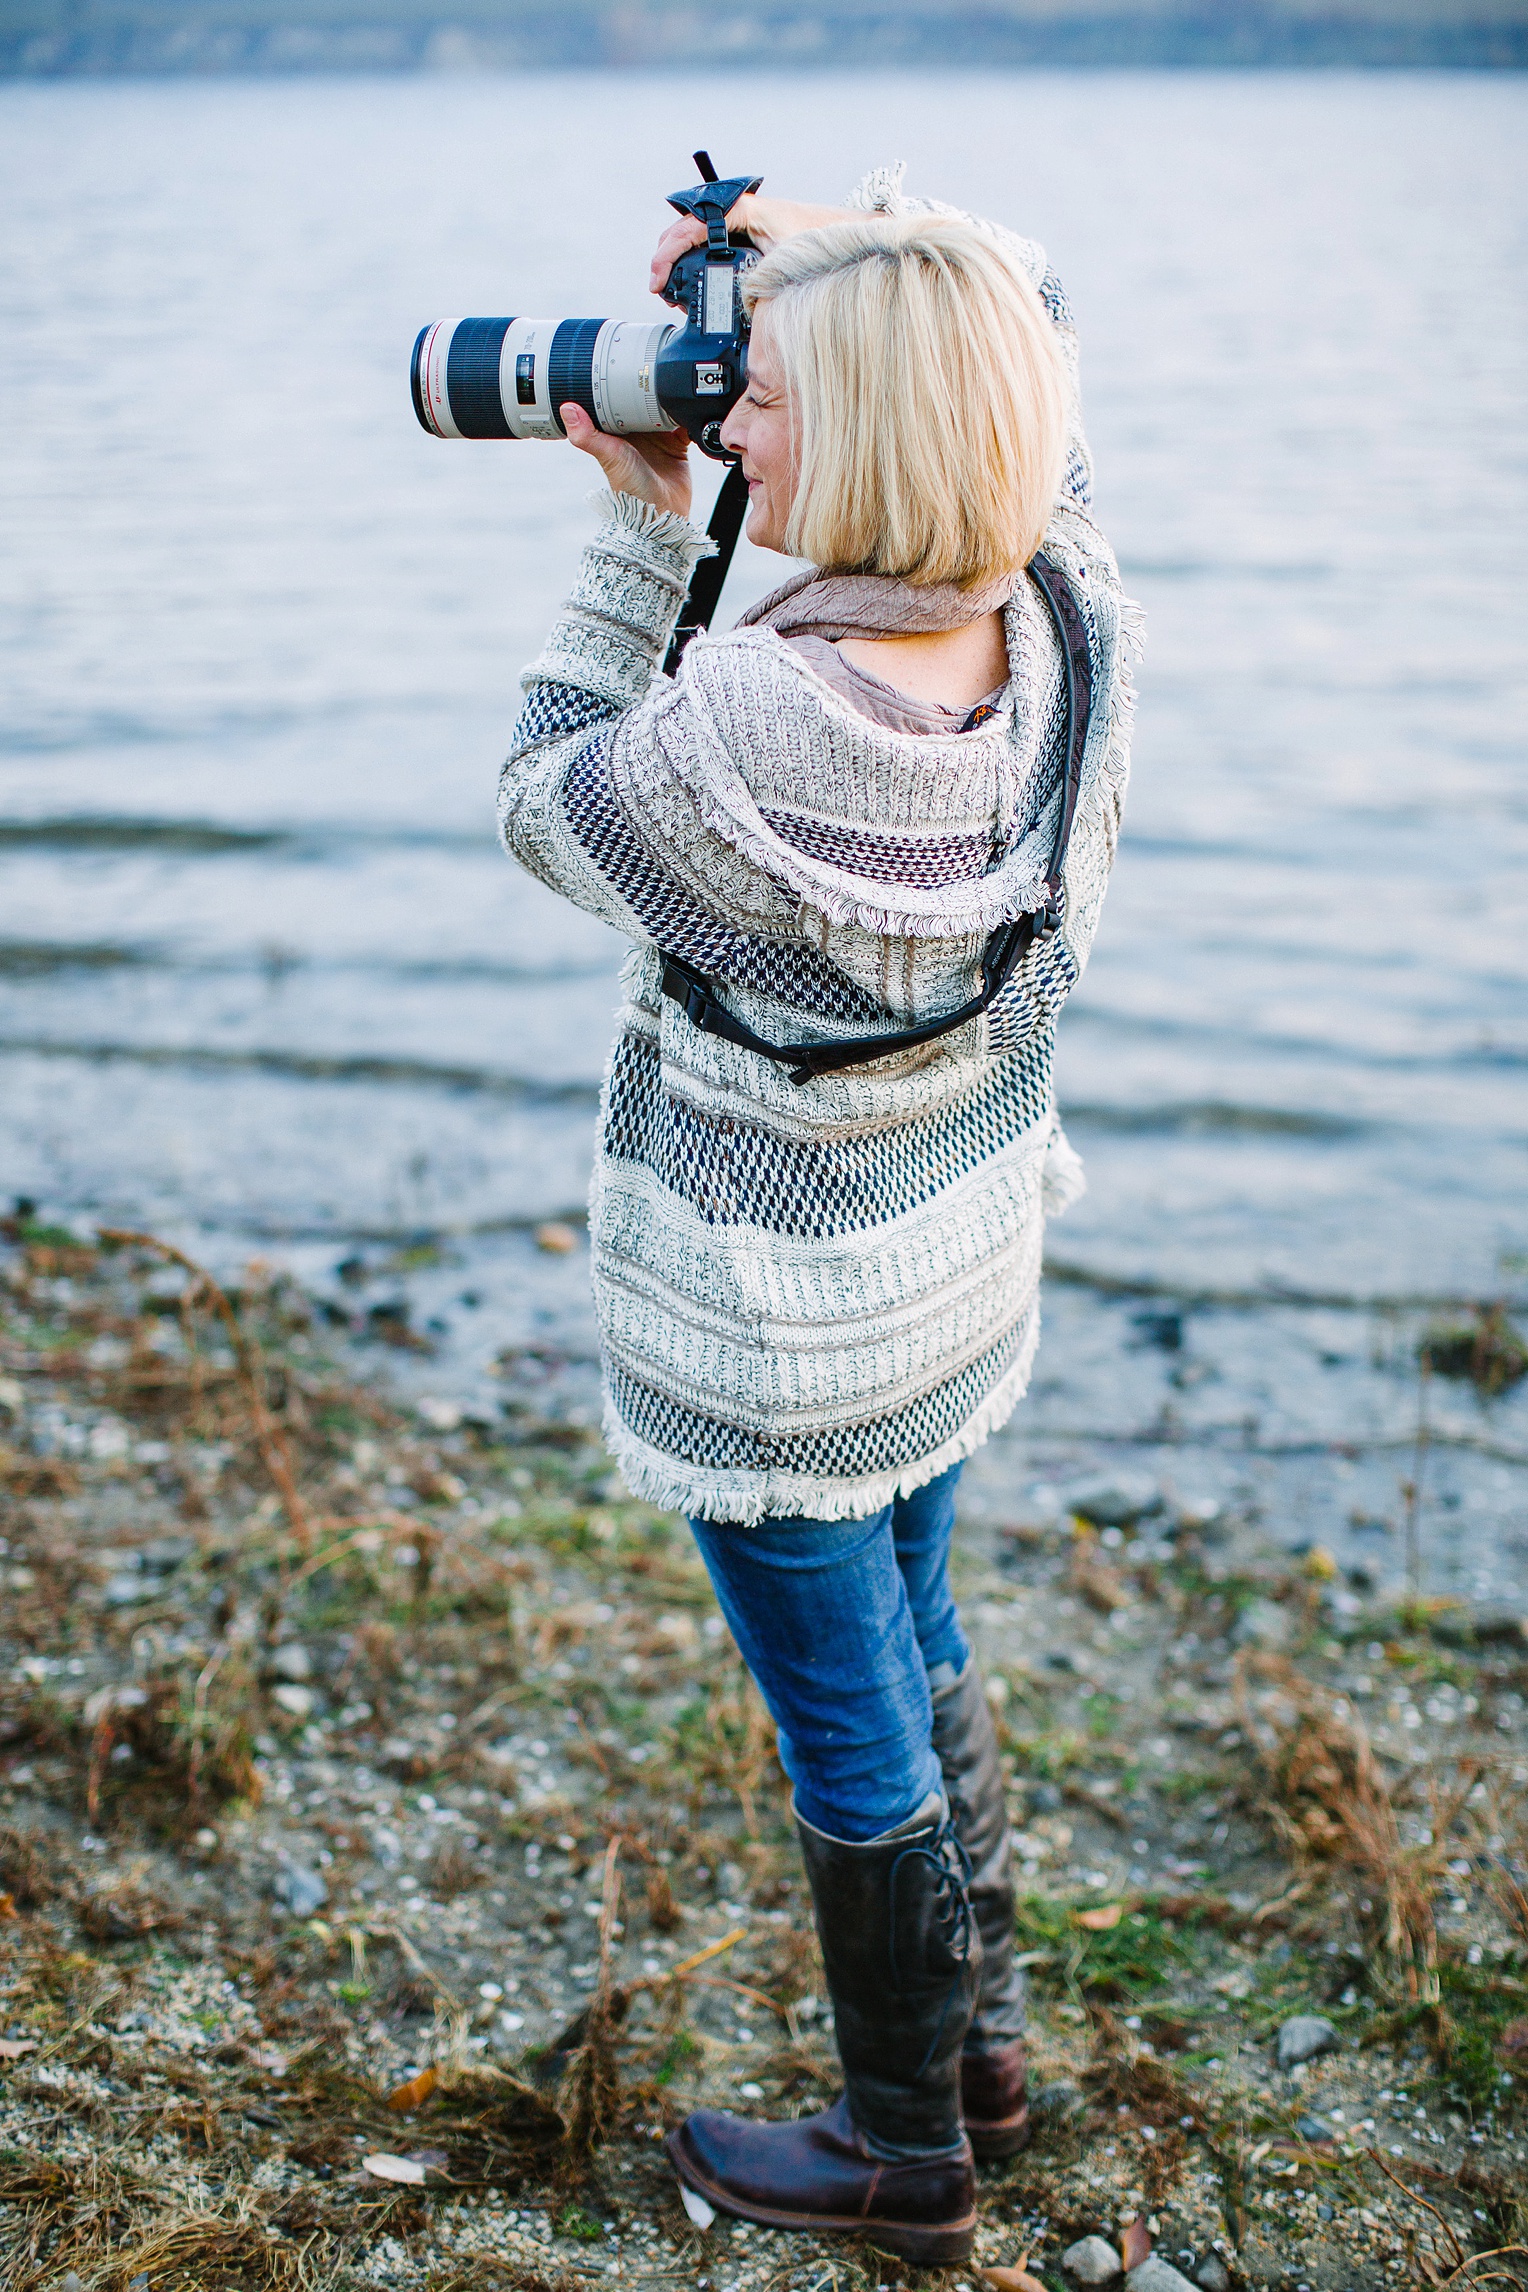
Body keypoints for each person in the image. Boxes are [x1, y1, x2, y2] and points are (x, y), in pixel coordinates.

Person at [498, 169, 1138, 2265]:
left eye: (757, 397)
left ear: (861, 428)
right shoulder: (1064, 616)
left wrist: (626, 526)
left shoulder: (763, 718)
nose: (728, 428)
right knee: (922, 1634)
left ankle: (897, 2151)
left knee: (843, 1703)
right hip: (941, 1274)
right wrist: (866, 231)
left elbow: (546, 806)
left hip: (775, 1330)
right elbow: (1015, 329)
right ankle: (981, 2054)